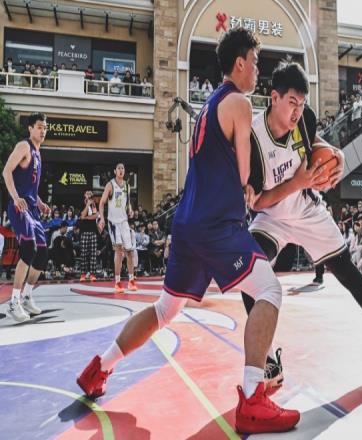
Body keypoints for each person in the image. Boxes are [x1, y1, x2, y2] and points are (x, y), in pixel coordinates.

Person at [77, 27, 299, 435]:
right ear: (240, 63)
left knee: (165, 310)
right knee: (269, 290)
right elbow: (245, 174)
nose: (258, 70)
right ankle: (253, 397)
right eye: (255, 62)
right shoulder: (239, 103)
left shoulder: (208, 105)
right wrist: (262, 185)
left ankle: (99, 368)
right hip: (216, 223)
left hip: (188, 223)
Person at [242, 62, 362, 384]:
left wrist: (337, 154)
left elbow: (316, 143)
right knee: (251, 271)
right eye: (291, 103)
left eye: (302, 104)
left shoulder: (304, 119)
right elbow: (258, 202)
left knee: (349, 273)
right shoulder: (253, 138)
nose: (297, 111)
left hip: (306, 209)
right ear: (274, 98)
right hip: (272, 214)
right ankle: (268, 357)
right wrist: (297, 182)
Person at [2, 113, 50, 322]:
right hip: (19, 207)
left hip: (32, 209)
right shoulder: (24, 146)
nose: (43, 130)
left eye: (45, 127)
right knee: (29, 249)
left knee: (42, 254)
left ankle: (27, 296)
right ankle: (14, 302)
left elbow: (31, 187)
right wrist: (15, 197)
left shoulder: (38, 153)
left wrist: (39, 202)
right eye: (39, 127)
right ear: (30, 128)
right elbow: (6, 172)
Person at [98, 163, 137, 293]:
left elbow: (128, 203)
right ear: (115, 171)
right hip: (113, 222)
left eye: (122, 168)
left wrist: (130, 210)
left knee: (130, 251)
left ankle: (131, 280)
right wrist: (102, 218)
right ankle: (117, 282)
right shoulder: (110, 185)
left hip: (124, 222)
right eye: (119, 168)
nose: (121, 170)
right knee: (119, 251)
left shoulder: (127, 186)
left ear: (124, 171)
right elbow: (102, 203)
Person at [79, 190, 99, 282]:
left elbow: (95, 216)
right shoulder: (82, 204)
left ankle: (92, 274)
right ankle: (83, 274)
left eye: (90, 193)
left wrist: (86, 218)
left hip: (93, 231)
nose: (89, 195)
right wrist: (87, 204)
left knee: (93, 254)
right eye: (87, 193)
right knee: (83, 253)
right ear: (84, 195)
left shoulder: (94, 204)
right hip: (84, 232)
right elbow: (82, 214)